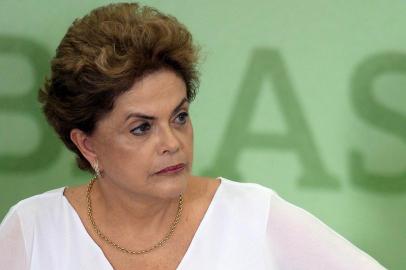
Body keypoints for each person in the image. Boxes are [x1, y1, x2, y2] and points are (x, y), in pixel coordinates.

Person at [0, 3, 386, 270]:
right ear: (87, 144)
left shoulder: (251, 215)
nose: (172, 142)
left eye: (180, 116)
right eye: (141, 127)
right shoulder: (33, 229)